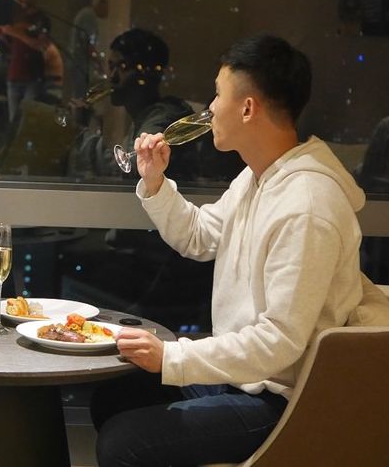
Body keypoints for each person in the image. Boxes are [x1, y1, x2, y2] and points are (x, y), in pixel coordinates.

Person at [92, 34, 366, 466]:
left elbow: (279, 341)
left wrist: (173, 356)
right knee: (114, 396)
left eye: (218, 94)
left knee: (122, 443)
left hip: (282, 401)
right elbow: (199, 236)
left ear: (248, 108)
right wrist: (155, 182)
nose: (210, 107)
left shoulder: (307, 204)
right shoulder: (259, 177)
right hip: (244, 377)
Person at [68, 28, 193, 177]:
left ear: (147, 73)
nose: (112, 77)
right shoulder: (143, 117)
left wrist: (81, 130)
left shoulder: (162, 119)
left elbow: (127, 173)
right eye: (111, 66)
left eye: (123, 67)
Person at [0, 0, 61, 120]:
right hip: (14, 74)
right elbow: (15, 46)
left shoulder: (41, 19)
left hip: (33, 77)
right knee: (14, 120)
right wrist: (4, 36)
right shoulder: (17, 16)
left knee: (28, 120)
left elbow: (41, 45)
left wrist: (15, 33)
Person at [68, 0, 109, 100]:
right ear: (101, 4)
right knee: (81, 98)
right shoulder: (89, 16)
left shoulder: (87, 14)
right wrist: (99, 63)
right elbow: (87, 44)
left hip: (79, 64)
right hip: (81, 65)